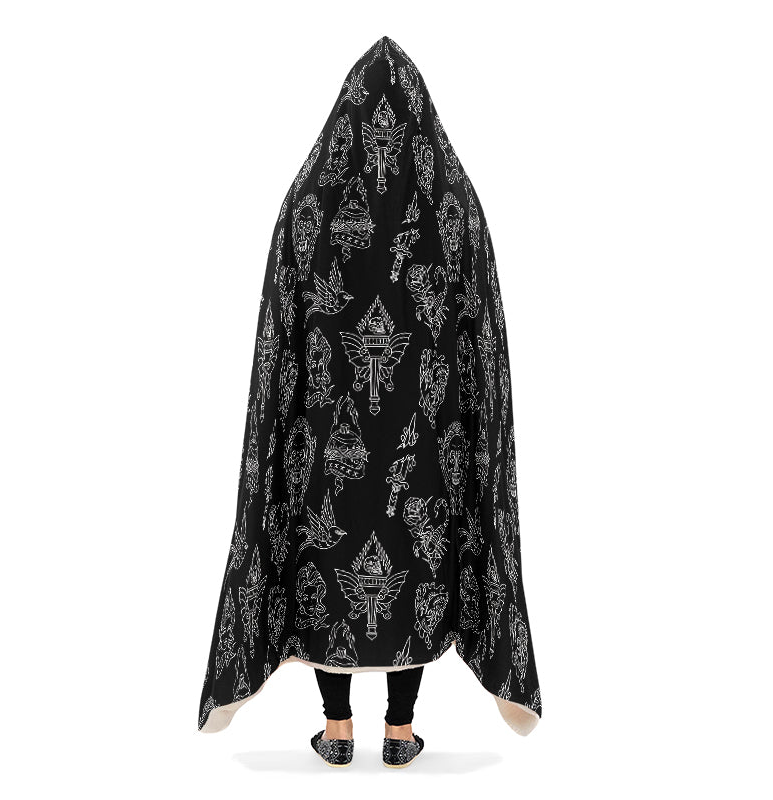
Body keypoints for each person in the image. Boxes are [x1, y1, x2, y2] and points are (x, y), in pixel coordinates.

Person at [197, 36, 543, 770]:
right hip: (424, 437)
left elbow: (280, 334)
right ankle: (400, 730)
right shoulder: (453, 202)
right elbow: (481, 334)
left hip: (329, 439)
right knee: (412, 562)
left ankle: (337, 726)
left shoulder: (308, 202)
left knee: (332, 558)